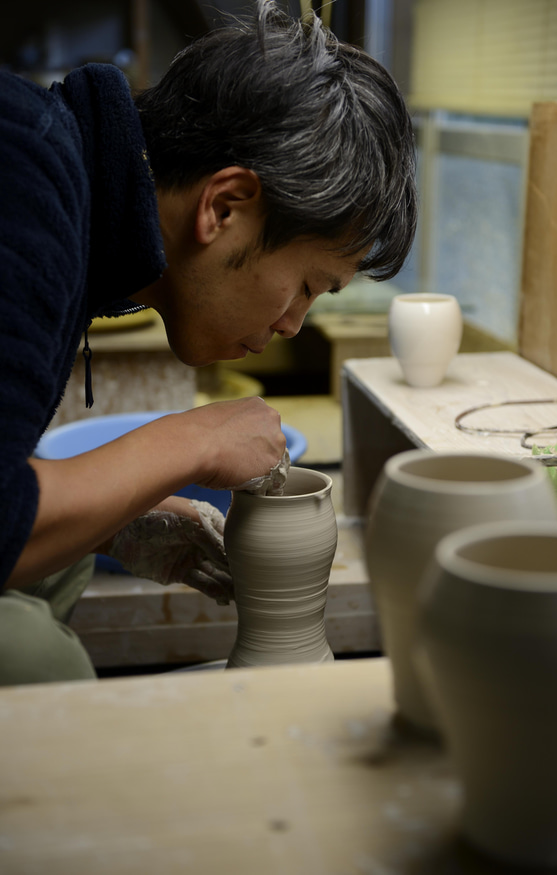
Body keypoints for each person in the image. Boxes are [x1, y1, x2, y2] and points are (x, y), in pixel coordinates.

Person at [0, 0, 417, 683]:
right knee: (33, 656)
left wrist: (122, 517)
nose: (290, 324)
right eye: (308, 285)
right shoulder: (24, 182)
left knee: (65, 555)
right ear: (224, 206)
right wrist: (189, 442)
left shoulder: (67, 191)